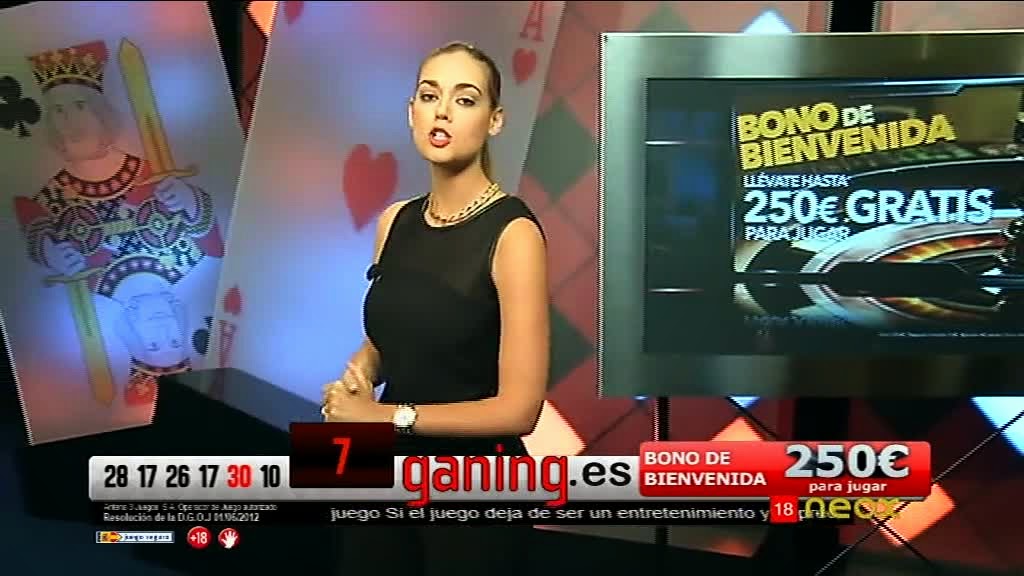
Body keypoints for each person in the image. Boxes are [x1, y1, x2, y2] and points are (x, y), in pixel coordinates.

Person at [321, 41, 549, 575]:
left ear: (494, 121)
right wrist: (354, 381)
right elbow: (395, 334)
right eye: (429, 96)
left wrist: (385, 417)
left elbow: (521, 410)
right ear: (411, 113)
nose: (442, 111)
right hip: (378, 465)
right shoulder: (394, 220)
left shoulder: (514, 233)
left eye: (464, 100)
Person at [14, 40, 223, 407]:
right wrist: (49, 249)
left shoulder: (154, 174)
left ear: (102, 113)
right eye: (58, 111)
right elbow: (31, 220)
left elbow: (213, 242)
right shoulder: (53, 195)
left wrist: (189, 201)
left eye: (79, 106)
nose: (69, 121)